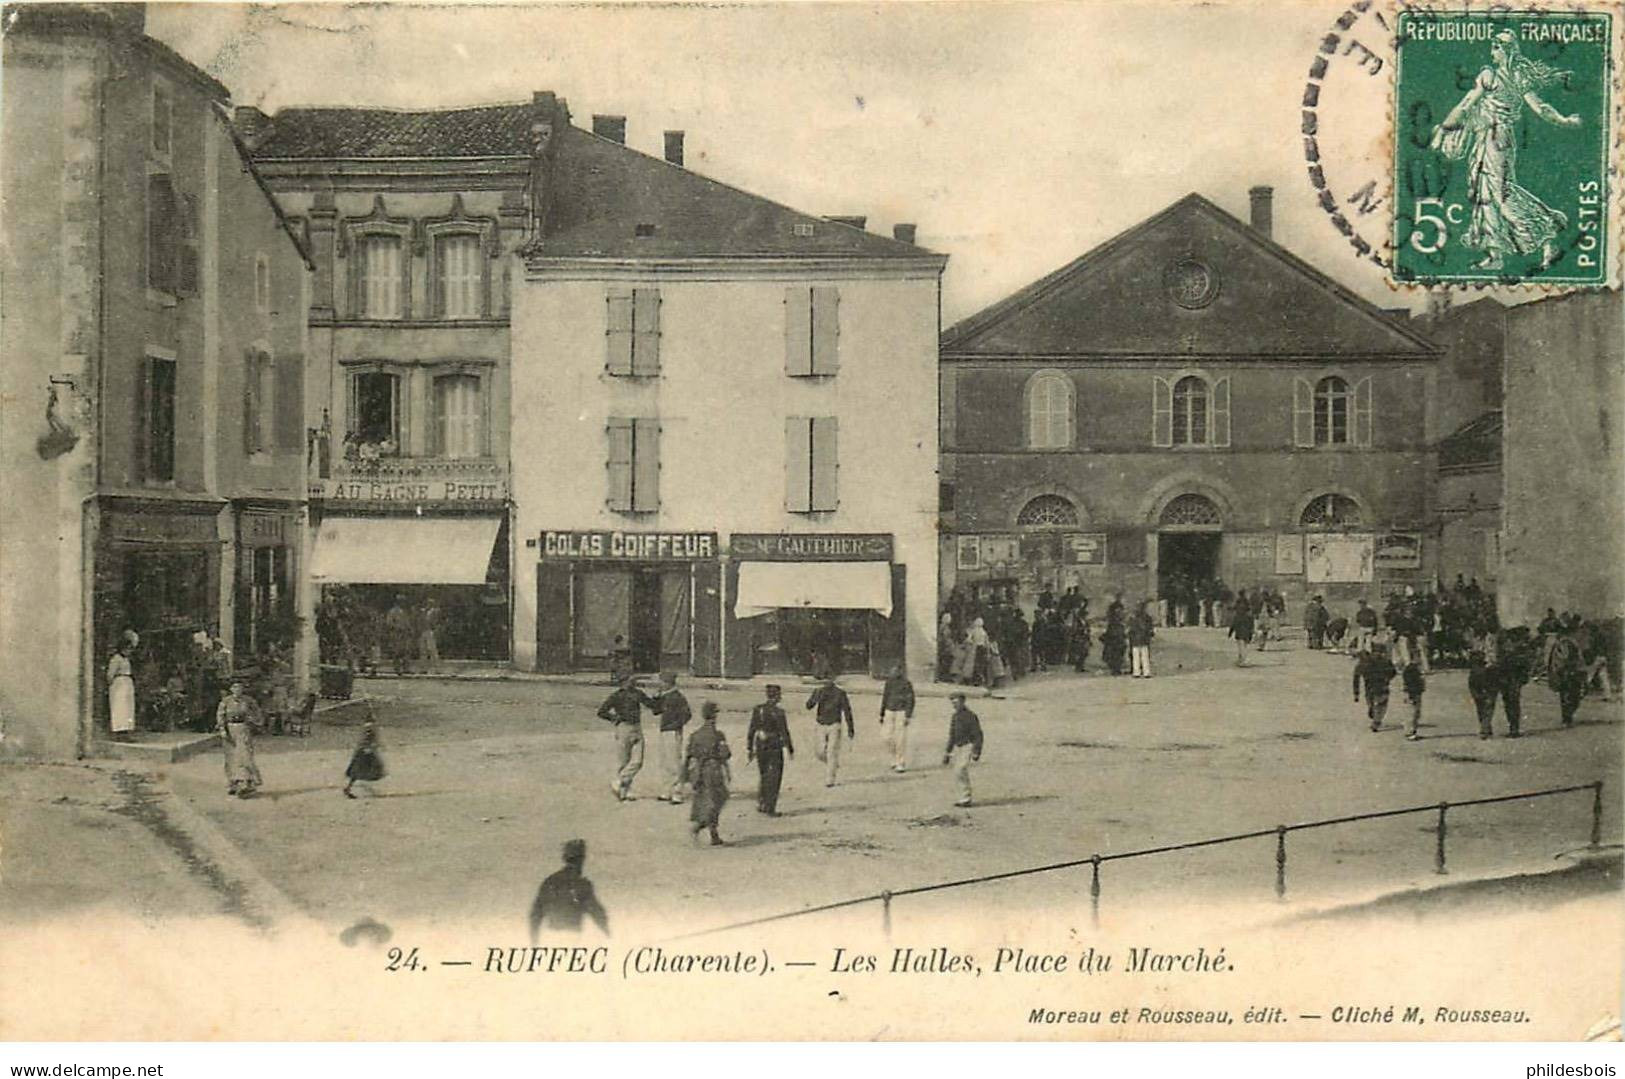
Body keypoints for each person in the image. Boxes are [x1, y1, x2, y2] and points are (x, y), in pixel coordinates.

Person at [1429, 29, 1579, 272]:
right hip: (1493, 139)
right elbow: (1541, 108)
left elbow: (1466, 105)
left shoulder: (1492, 76)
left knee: (1499, 194)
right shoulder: (1517, 77)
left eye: (1495, 47)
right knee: (1484, 193)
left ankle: (1546, 230)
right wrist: (1564, 120)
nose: (1492, 52)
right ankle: (1495, 254)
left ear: (1505, 50)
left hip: (1493, 140)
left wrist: (1443, 130)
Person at [529, 839, 608, 942]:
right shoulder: (582, 884)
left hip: (552, 937)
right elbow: (597, 913)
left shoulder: (550, 881)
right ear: (582, 859)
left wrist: (534, 941)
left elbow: (535, 914)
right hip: (572, 937)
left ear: (565, 858)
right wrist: (608, 935)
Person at [596, 674, 654, 801]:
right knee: (624, 761)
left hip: (636, 726)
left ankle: (619, 781)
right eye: (629, 680)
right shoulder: (617, 696)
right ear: (622, 682)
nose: (632, 682)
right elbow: (602, 712)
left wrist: (658, 698)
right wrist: (614, 718)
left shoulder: (637, 693)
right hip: (624, 727)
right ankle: (624, 791)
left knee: (637, 761)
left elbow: (651, 704)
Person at [682, 702, 732, 846]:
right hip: (713, 769)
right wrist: (727, 770)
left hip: (698, 770)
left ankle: (712, 833)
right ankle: (701, 826)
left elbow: (689, 755)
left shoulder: (695, 735)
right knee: (718, 798)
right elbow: (725, 754)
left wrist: (687, 775)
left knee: (704, 799)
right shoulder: (718, 735)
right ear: (714, 715)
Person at [747, 684, 794, 815]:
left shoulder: (758, 709)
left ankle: (762, 802)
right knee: (775, 776)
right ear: (777, 696)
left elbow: (752, 730)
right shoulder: (779, 712)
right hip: (774, 745)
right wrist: (790, 748)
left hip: (760, 744)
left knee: (763, 774)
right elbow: (784, 732)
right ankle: (770, 807)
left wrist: (750, 748)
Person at [216, 678, 263, 798]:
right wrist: (222, 730)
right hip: (229, 729)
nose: (237, 689)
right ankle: (232, 783)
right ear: (231, 689)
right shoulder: (225, 701)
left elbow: (258, 712)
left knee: (244, 755)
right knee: (230, 756)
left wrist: (254, 720)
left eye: (240, 687)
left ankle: (247, 782)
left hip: (243, 728)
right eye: (235, 687)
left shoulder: (248, 700)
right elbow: (220, 715)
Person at [650, 672, 693, 804]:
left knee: (674, 762)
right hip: (665, 730)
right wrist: (656, 699)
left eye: (662, 682)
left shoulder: (678, 697)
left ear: (668, 683)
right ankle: (667, 790)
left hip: (673, 731)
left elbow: (687, 714)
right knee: (665, 761)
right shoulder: (665, 696)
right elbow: (655, 711)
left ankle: (677, 792)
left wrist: (676, 725)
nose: (660, 684)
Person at [806, 674, 855, 787]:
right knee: (819, 752)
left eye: (828, 679)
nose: (826, 682)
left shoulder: (840, 693)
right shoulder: (818, 692)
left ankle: (830, 779)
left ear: (833, 680)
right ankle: (832, 763)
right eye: (824, 680)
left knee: (832, 751)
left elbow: (847, 711)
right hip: (821, 724)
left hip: (834, 724)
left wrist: (850, 728)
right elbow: (808, 706)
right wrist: (815, 697)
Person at [942, 691, 984, 808]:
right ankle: (962, 797)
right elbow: (952, 735)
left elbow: (978, 735)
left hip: (968, 745)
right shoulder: (955, 717)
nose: (955, 705)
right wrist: (947, 752)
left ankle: (966, 797)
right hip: (958, 747)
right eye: (953, 703)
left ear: (963, 702)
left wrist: (976, 751)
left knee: (961, 769)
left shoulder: (970, 716)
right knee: (957, 772)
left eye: (957, 702)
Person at [1352, 642, 1397, 732]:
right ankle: (1376, 721)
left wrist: (1356, 693)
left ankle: (1372, 709)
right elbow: (1393, 672)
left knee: (1371, 700)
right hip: (1382, 686)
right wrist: (1387, 678)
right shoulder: (1386, 661)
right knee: (1381, 704)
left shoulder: (1364, 662)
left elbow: (1356, 677)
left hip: (1369, 687)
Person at [879, 664, 915, 773]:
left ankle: (900, 762)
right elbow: (885, 697)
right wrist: (882, 714)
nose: (894, 672)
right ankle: (894, 757)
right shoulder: (889, 683)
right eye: (892, 670)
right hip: (889, 711)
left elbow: (910, 700)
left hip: (901, 712)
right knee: (886, 737)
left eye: (896, 670)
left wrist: (908, 715)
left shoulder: (906, 684)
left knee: (900, 738)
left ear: (901, 671)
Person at [1548, 628, 1587, 728]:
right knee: (1568, 695)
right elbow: (1559, 660)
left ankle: (1568, 716)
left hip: (1572, 671)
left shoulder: (1571, 642)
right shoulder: (1562, 644)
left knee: (1572, 695)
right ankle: (1567, 718)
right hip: (1566, 672)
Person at [1467, 638, 1501, 739]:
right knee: (1481, 702)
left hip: (1488, 673)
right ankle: (1486, 726)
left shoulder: (1494, 639)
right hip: (1479, 674)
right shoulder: (1473, 639)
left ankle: (1485, 727)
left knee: (1487, 702)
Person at [343, 718, 386, 798]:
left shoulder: (368, 727)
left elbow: (366, 739)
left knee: (357, 771)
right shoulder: (370, 728)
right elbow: (368, 739)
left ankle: (348, 788)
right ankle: (349, 788)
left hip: (363, 750)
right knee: (363, 769)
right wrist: (370, 747)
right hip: (366, 751)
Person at [108, 632, 137, 741]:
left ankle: (126, 732)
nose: (129, 651)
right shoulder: (116, 659)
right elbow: (110, 674)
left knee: (128, 708)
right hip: (119, 683)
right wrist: (113, 685)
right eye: (128, 648)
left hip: (127, 682)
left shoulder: (126, 659)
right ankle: (119, 732)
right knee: (120, 707)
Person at [384, 595, 414, 676]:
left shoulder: (404, 612)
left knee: (406, 651)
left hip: (404, 634)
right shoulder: (392, 612)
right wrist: (397, 628)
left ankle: (406, 668)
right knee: (396, 652)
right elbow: (389, 623)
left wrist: (409, 630)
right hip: (396, 634)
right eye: (400, 601)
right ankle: (397, 668)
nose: (402, 603)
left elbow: (407, 623)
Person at [1128, 601, 1155, 678]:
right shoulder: (1147, 617)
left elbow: (1130, 629)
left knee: (1136, 656)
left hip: (1136, 639)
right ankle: (1146, 672)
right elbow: (1150, 628)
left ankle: (1137, 672)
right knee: (1144, 656)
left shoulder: (1132, 618)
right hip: (1144, 639)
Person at [1401, 657, 1426, 741]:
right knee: (1411, 713)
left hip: (1416, 693)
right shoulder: (1411, 669)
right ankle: (1409, 733)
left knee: (1416, 713)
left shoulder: (1415, 668)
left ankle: (1413, 732)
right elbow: (1410, 682)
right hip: (1412, 693)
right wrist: (1411, 695)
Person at [1227, 599, 1255, 667]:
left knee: (1241, 648)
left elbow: (1233, 625)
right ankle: (1241, 660)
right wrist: (1251, 634)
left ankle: (1243, 660)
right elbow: (1251, 626)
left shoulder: (1237, 617)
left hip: (1239, 634)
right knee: (1244, 647)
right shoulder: (1249, 617)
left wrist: (1230, 633)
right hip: (1247, 634)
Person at [418, 599, 441, 674]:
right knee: (423, 650)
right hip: (423, 631)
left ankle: (437, 668)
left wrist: (435, 631)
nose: (428, 605)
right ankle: (423, 668)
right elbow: (420, 621)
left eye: (430, 603)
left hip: (430, 631)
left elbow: (437, 622)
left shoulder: (435, 612)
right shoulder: (423, 612)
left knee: (432, 650)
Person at [966, 617, 991, 688]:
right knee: (981, 664)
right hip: (982, 648)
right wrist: (988, 650)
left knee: (976, 664)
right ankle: (981, 679)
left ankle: (975, 680)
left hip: (976, 648)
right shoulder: (984, 632)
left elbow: (968, 639)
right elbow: (987, 642)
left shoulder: (974, 631)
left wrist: (973, 642)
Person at [1101, 608, 1127, 676]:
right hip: (1115, 642)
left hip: (1116, 642)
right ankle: (1115, 669)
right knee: (1115, 656)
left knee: (1117, 656)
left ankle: (1116, 669)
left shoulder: (1117, 625)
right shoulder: (1114, 625)